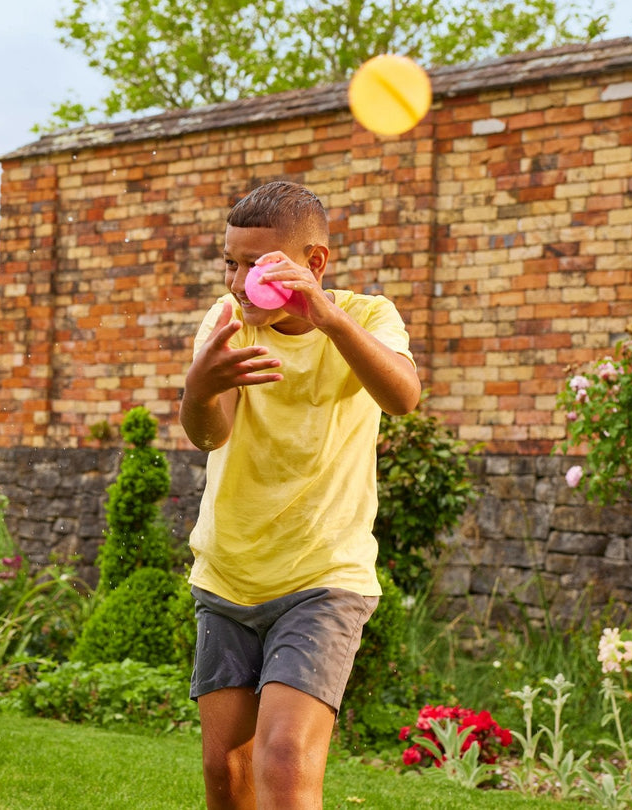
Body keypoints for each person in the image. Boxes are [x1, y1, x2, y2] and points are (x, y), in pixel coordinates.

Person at [180, 180, 422, 809]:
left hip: (325, 575)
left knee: (283, 758)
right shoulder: (227, 319)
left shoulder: (369, 316)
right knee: (225, 774)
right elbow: (211, 433)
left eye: (255, 264)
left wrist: (327, 317)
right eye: (230, 262)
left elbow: (402, 397)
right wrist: (199, 388)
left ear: (312, 263)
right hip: (229, 573)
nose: (237, 280)